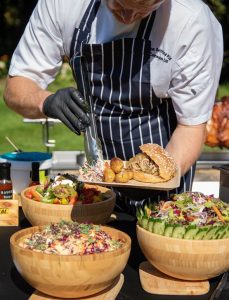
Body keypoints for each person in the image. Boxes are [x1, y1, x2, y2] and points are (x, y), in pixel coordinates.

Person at [4, 0, 223, 213]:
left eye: (143, 9)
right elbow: (16, 88)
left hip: (166, 184)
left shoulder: (191, 21)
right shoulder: (63, 4)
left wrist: (154, 182)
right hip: (98, 183)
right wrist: (45, 101)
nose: (127, 17)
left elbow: (191, 127)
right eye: (119, 5)